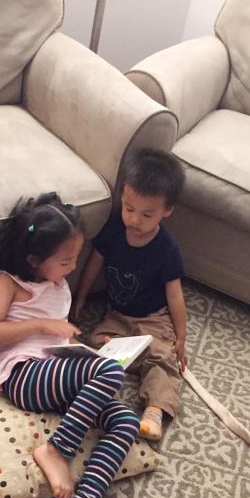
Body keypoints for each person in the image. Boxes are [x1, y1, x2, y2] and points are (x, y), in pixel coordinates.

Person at [0, 192, 140, 498]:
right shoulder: (10, 282)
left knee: (126, 420)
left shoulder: (58, 284)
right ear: (34, 259)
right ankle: (56, 450)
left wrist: (90, 351)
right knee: (109, 373)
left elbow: (61, 341)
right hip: (23, 374)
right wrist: (44, 324)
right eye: (66, 261)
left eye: (76, 258)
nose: (74, 266)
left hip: (55, 373)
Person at [72, 148, 187, 442]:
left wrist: (181, 337)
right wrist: (80, 297)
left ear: (167, 211)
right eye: (128, 208)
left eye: (146, 214)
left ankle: (154, 411)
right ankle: (136, 359)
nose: (134, 220)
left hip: (153, 318)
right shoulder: (114, 228)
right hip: (118, 315)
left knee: (163, 359)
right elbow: (94, 263)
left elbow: (175, 295)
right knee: (97, 342)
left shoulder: (166, 248)